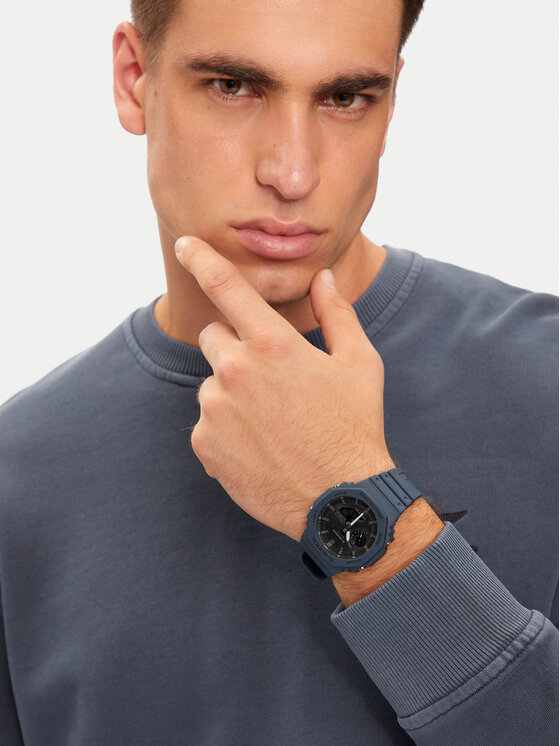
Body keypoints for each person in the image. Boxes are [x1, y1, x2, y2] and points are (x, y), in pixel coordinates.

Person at [0, 0, 557, 743]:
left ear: (392, 99)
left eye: (345, 97)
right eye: (233, 86)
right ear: (135, 79)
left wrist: (362, 512)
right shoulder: (17, 475)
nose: (292, 173)